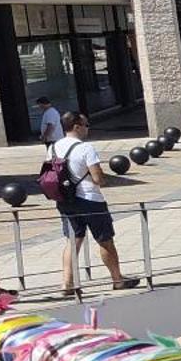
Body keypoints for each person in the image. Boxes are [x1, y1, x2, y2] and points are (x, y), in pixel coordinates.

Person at [48, 113, 137, 295]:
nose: (88, 128)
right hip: (90, 200)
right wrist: (103, 179)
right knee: (105, 240)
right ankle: (117, 279)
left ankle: (67, 283)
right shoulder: (85, 148)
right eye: (86, 124)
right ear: (76, 126)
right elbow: (98, 178)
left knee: (73, 240)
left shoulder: (53, 148)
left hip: (65, 200)